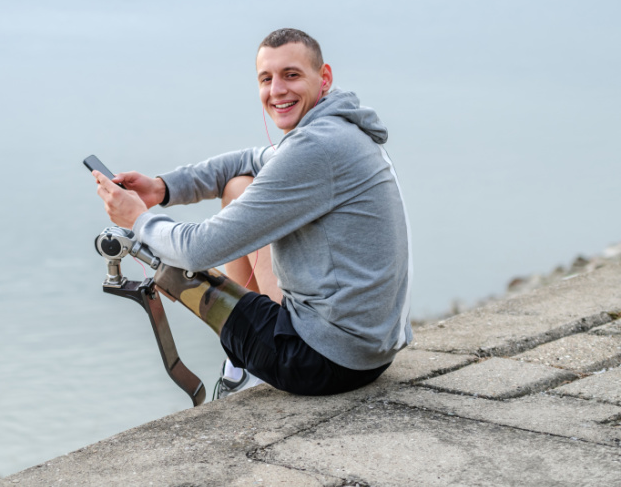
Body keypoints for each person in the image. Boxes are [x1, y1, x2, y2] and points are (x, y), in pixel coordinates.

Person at [93, 28, 411, 397]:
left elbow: (199, 250)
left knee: (181, 269)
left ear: (323, 77)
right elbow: (245, 160)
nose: (277, 90)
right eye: (266, 79)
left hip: (325, 362)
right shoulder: (338, 130)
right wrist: (162, 188)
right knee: (238, 186)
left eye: (291, 75)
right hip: (369, 351)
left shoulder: (316, 149)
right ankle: (246, 364)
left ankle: (241, 370)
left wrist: (139, 220)